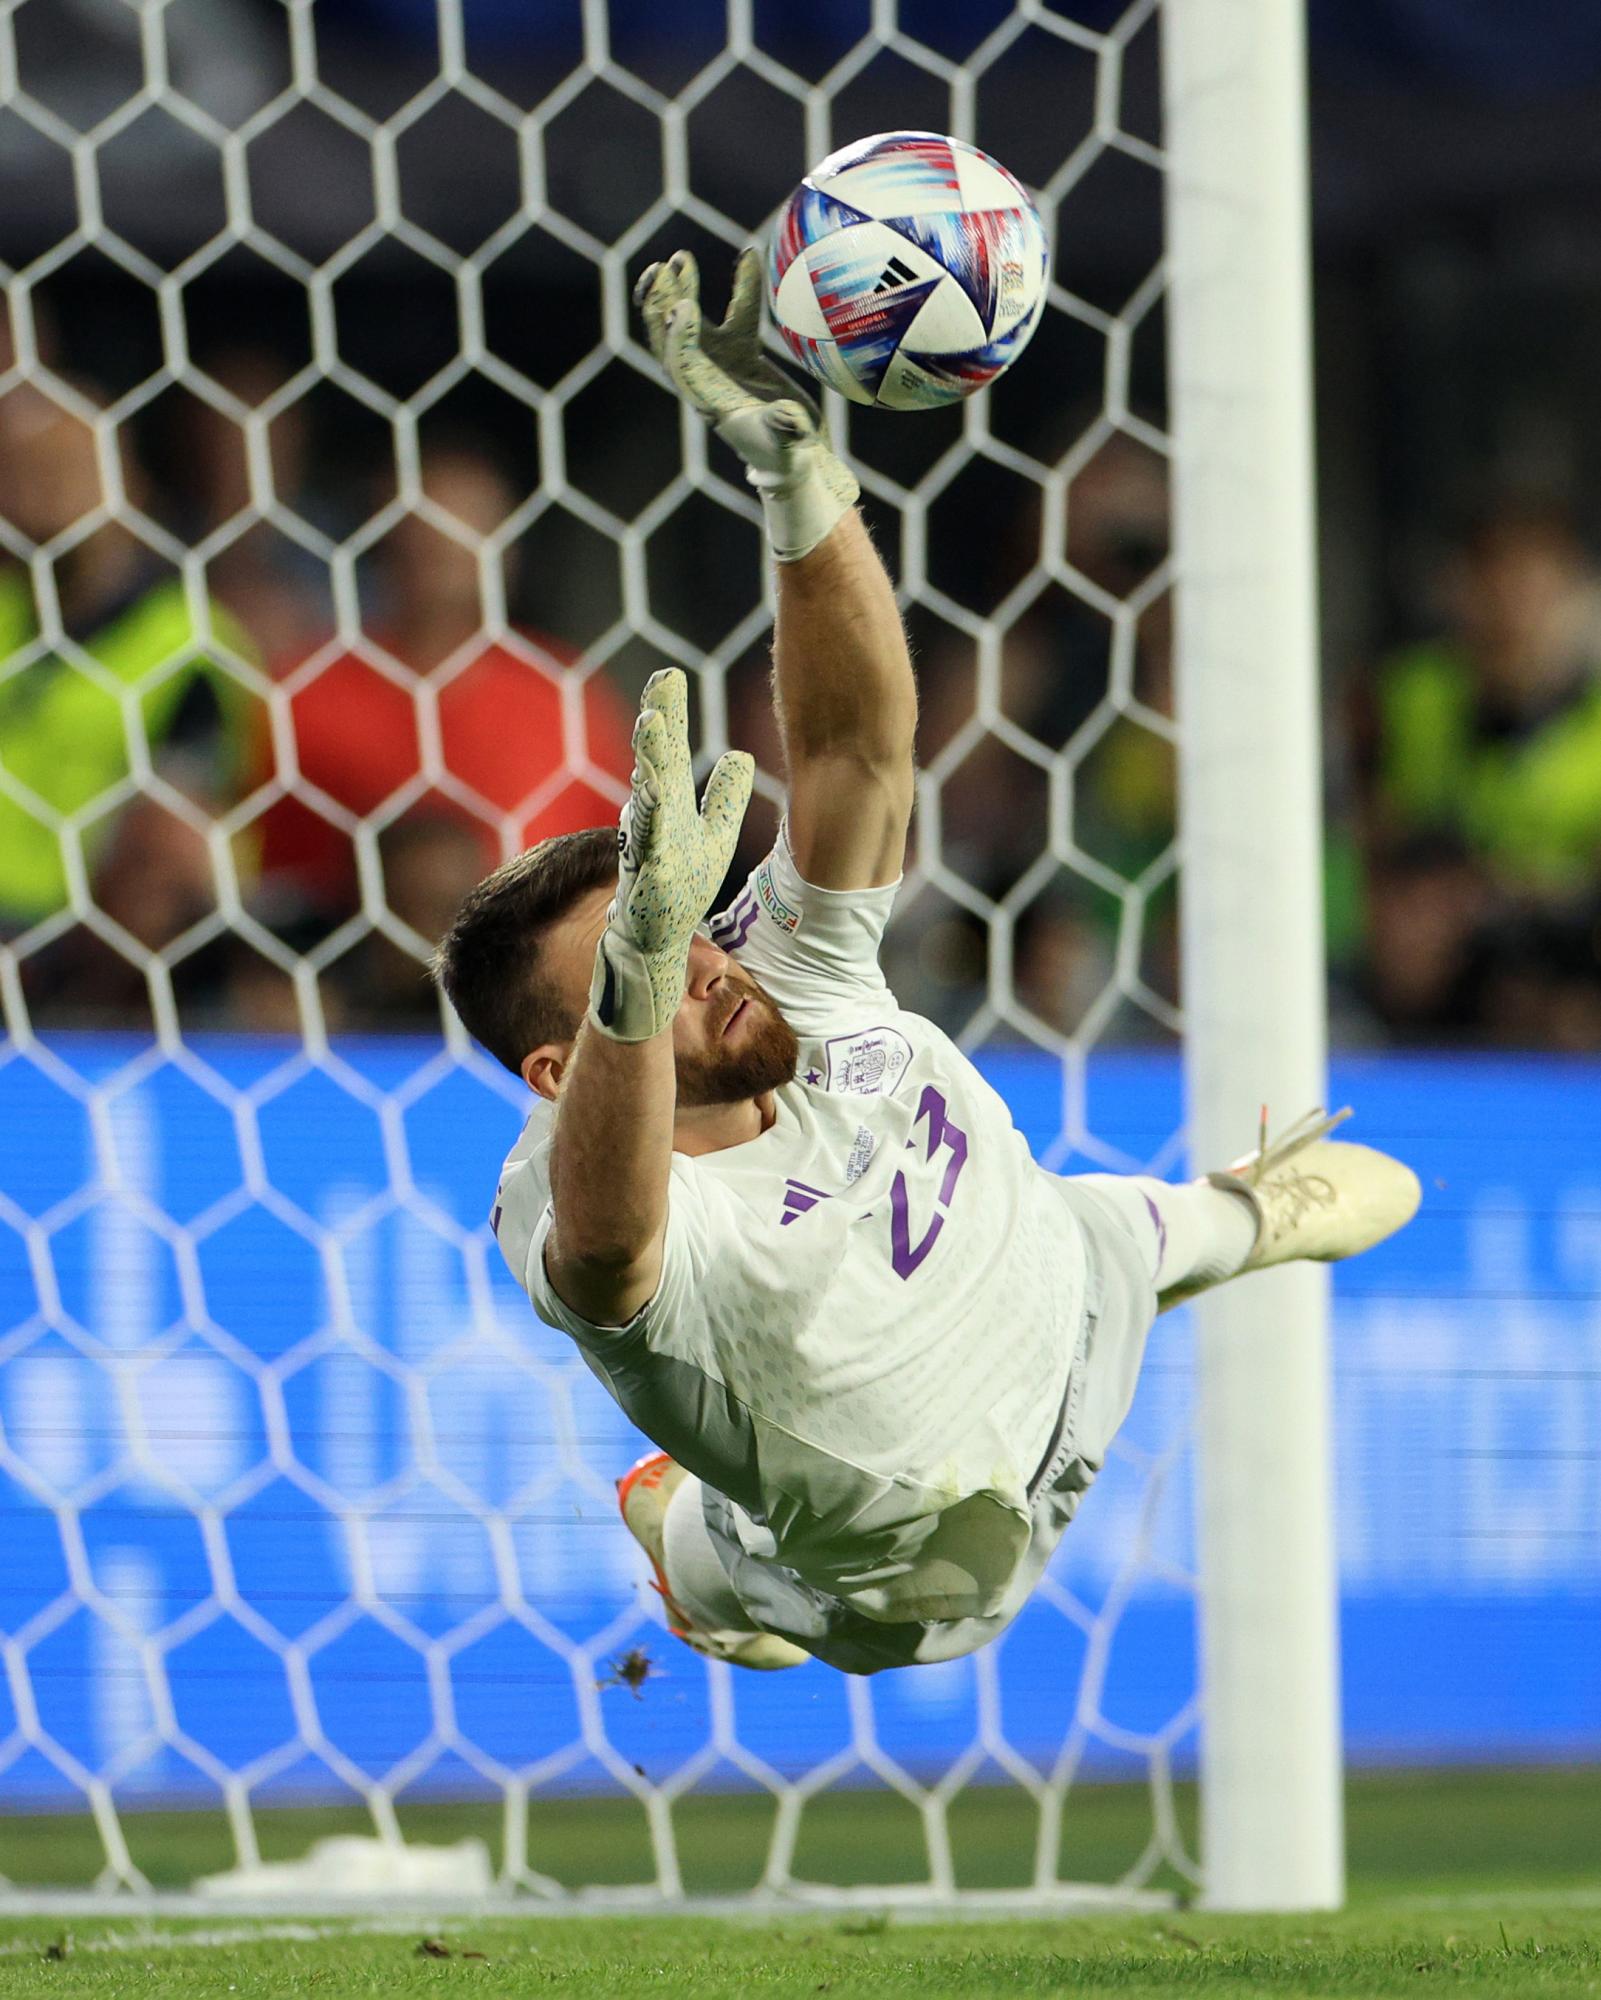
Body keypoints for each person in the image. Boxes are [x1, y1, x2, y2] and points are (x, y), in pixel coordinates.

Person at [432, 251, 1421, 1676]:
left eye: (683, 923)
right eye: (641, 962)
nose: (700, 961)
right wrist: (634, 992)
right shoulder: (581, 1197)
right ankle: (700, 1554)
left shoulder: (785, 977)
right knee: (769, 1589)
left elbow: (852, 748)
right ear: (556, 1062)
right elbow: (605, 1254)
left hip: (1073, 1270)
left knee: (1314, 1202)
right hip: (920, 1555)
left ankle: (1243, 1215)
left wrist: (796, 477)